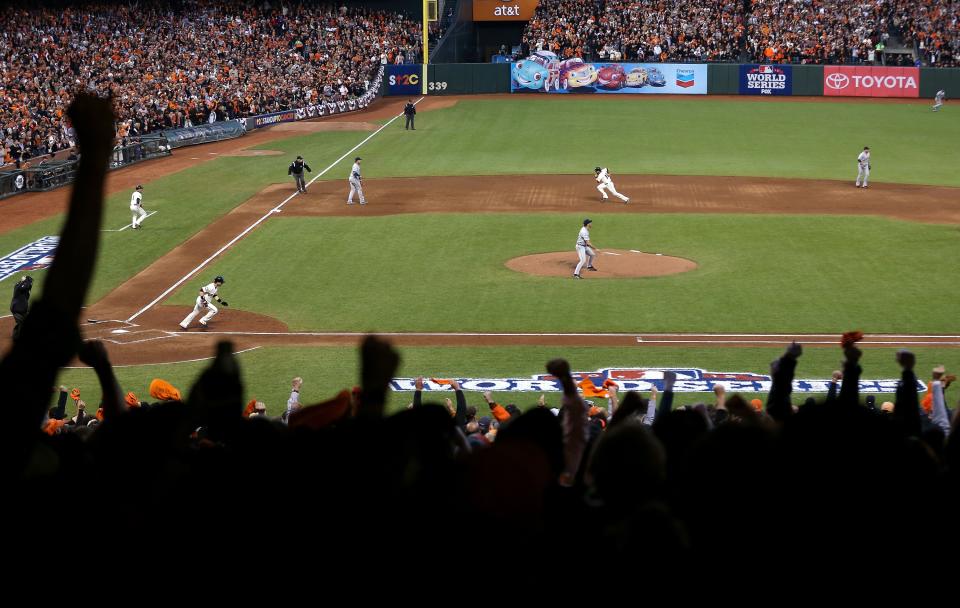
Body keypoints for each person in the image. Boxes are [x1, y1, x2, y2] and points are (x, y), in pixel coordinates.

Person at [9, 275, 33, 340]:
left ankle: (16, 335)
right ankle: (17, 337)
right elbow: (23, 287)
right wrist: (26, 281)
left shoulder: (24, 287)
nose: (30, 283)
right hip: (16, 309)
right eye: (29, 282)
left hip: (22, 308)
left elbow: (27, 287)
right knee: (21, 323)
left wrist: (26, 281)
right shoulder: (19, 287)